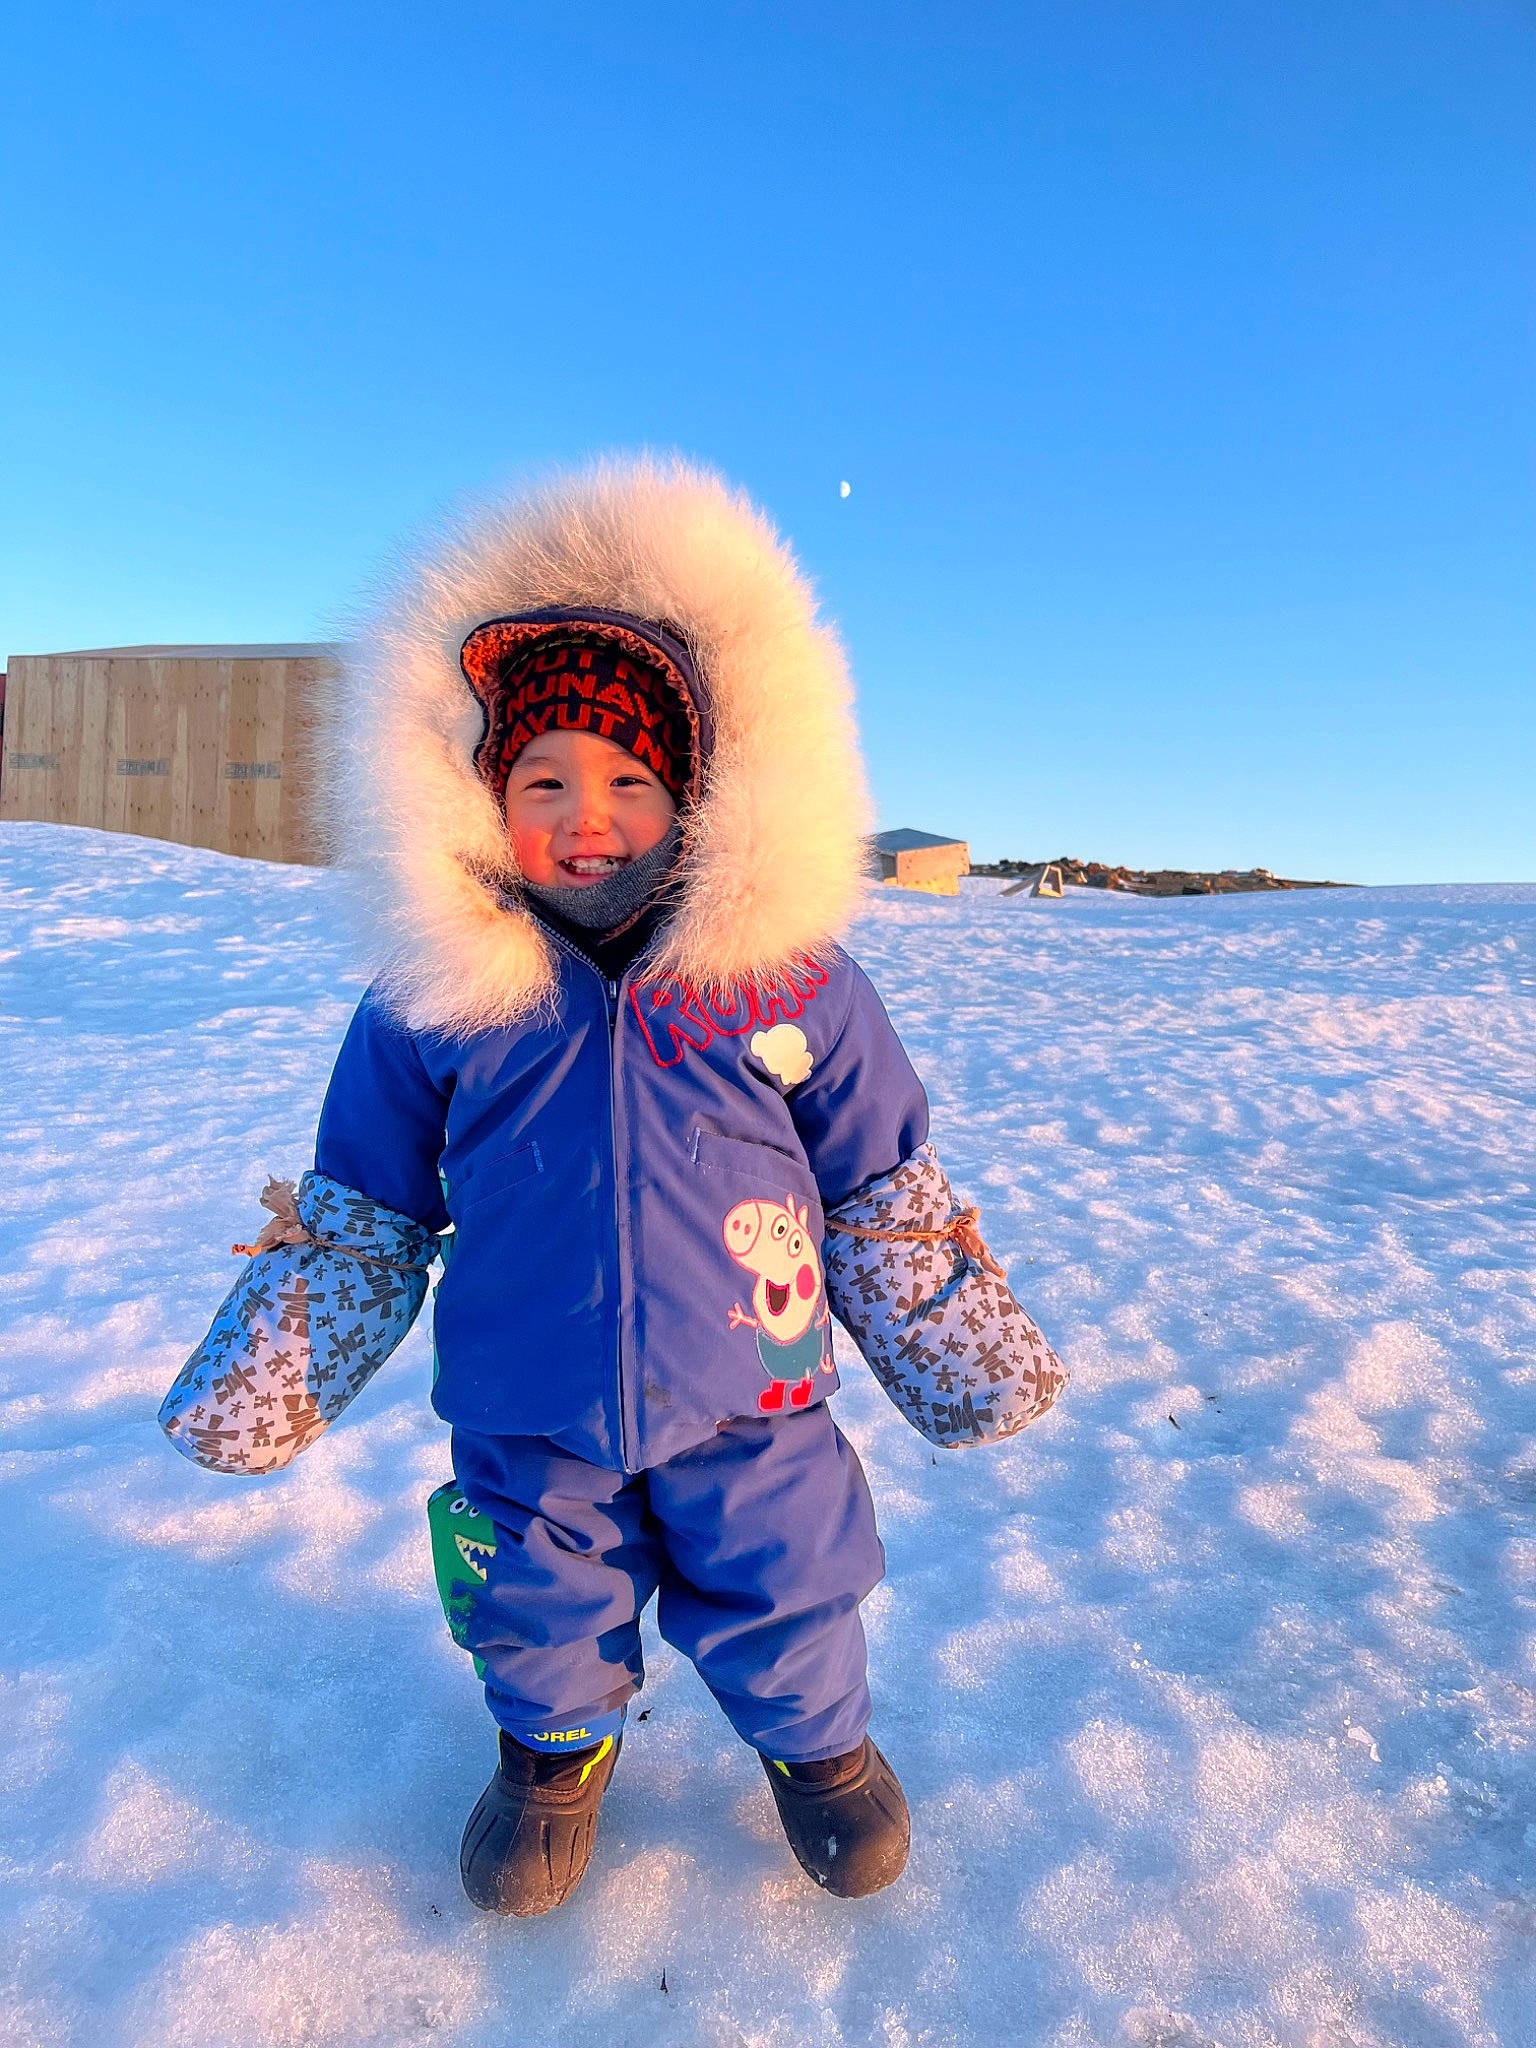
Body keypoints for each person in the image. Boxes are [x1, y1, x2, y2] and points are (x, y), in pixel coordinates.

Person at [160, 459, 1064, 1917]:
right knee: (533, 1592)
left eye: (630, 781)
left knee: (791, 1575)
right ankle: (552, 1756)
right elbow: (361, 1214)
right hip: (528, 1394)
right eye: (546, 782)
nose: (589, 816)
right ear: (482, 800)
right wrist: (269, 1377)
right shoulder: (439, 998)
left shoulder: (785, 982)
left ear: (696, 796)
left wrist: (963, 1356)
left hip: (756, 1383)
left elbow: (878, 1184)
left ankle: (819, 1750)